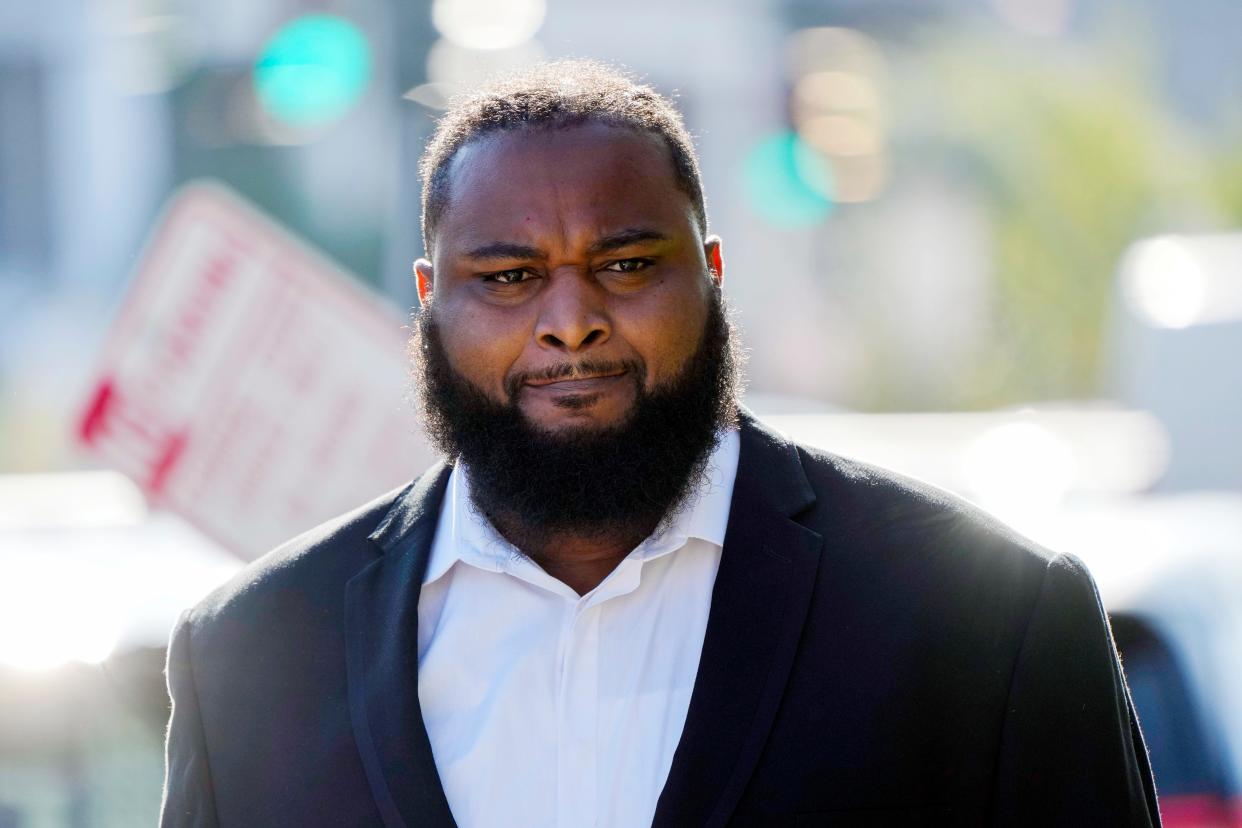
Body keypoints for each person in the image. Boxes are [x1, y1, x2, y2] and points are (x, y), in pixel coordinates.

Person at [161, 60, 1161, 827]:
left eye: (629, 263)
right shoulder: (253, 652)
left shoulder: (991, 622)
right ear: (430, 301)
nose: (571, 321)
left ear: (712, 274)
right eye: (509, 277)